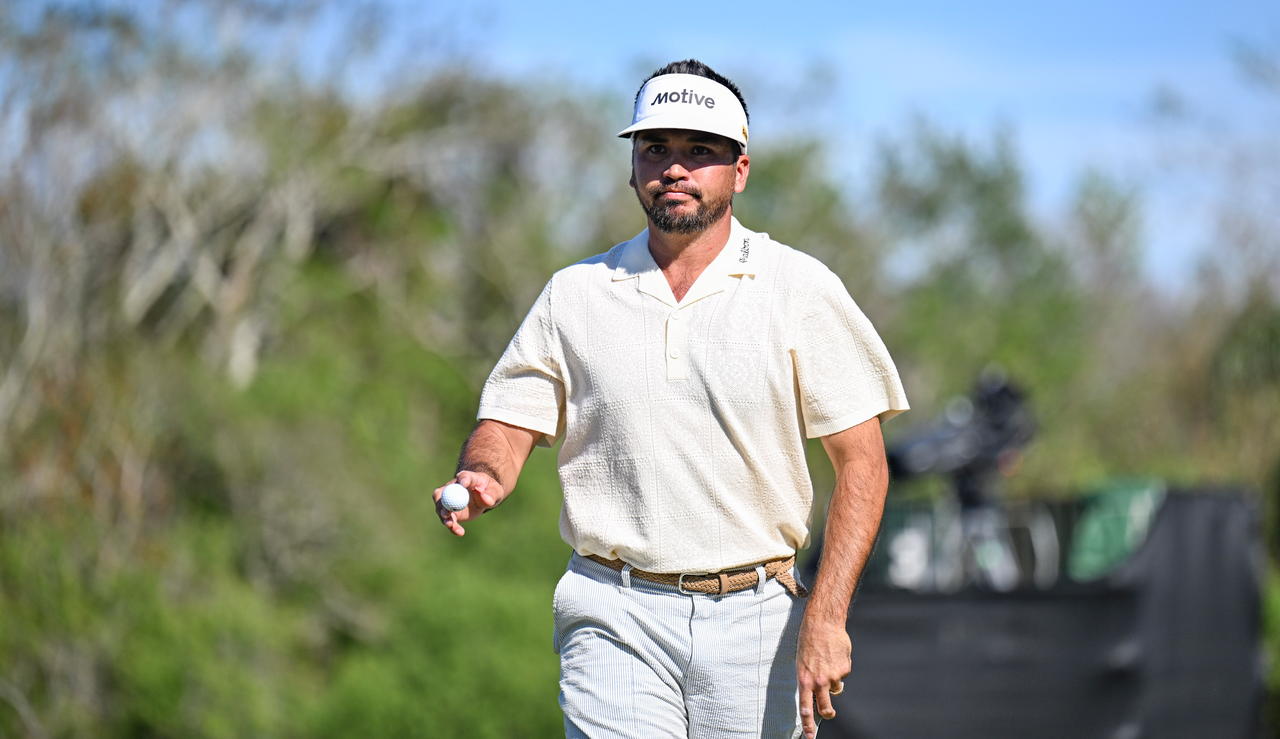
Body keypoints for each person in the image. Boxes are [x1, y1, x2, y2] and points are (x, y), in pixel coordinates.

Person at [434, 59, 909, 739]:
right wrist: (484, 470)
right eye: (656, 149)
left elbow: (862, 462)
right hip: (612, 606)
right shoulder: (577, 292)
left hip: (758, 617)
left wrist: (827, 617)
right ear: (632, 167)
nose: (674, 168)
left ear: (739, 169)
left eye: (700, 151)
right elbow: (509, 420)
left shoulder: (799, 288)